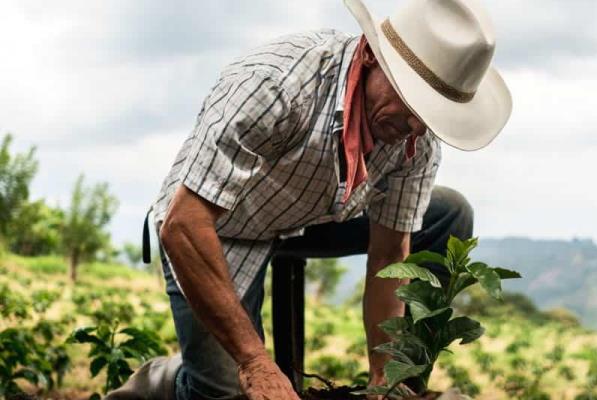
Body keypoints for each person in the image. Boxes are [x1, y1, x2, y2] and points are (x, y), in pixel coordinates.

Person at [107, 0, 511, 398]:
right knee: (223, 390)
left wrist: (384, 376)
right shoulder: (275, 84)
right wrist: (255, 362)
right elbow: (184, 223)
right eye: (412, 103)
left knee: (450, 214)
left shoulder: (414, 137)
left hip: (314, 214)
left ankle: (403, 387)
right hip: (218, 226)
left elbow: (390, 254)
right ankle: (169, 379)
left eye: (430, 114)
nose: (415, 126)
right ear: (372, 57)